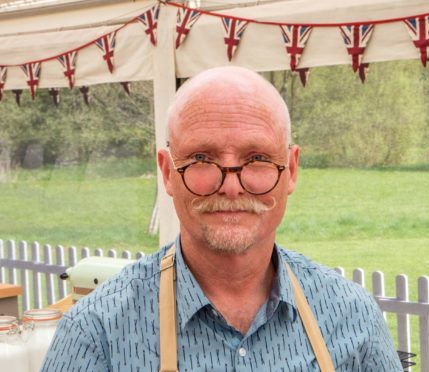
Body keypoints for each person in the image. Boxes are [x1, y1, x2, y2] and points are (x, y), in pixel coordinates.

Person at [42, 66, 402, 371]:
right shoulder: (94, 334)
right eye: (201, 158)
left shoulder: (352, 315)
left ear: (290, 170)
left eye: (257, 158)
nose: (231, 187)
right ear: (167, 172)